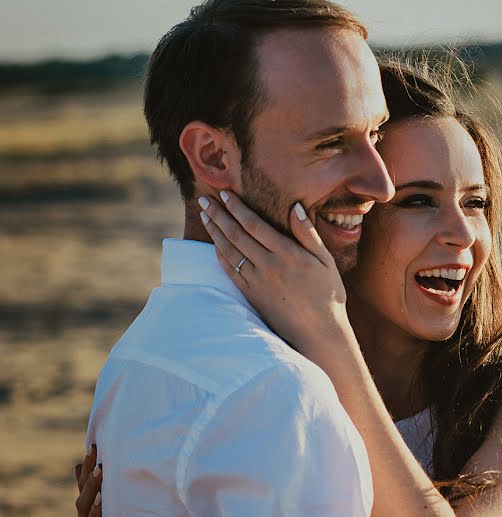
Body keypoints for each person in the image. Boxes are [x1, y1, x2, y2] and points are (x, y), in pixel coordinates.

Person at [78, 59, 502, 515]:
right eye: (417, 201)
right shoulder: (285, 394)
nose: (462, 234)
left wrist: (328, 327)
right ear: (351, 218)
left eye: (475, 203)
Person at [79, 0, 395, 514]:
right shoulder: (275, 393)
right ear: (212, 156)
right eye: (332, 143)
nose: (382, 184)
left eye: (375, 133)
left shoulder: (134, 355)